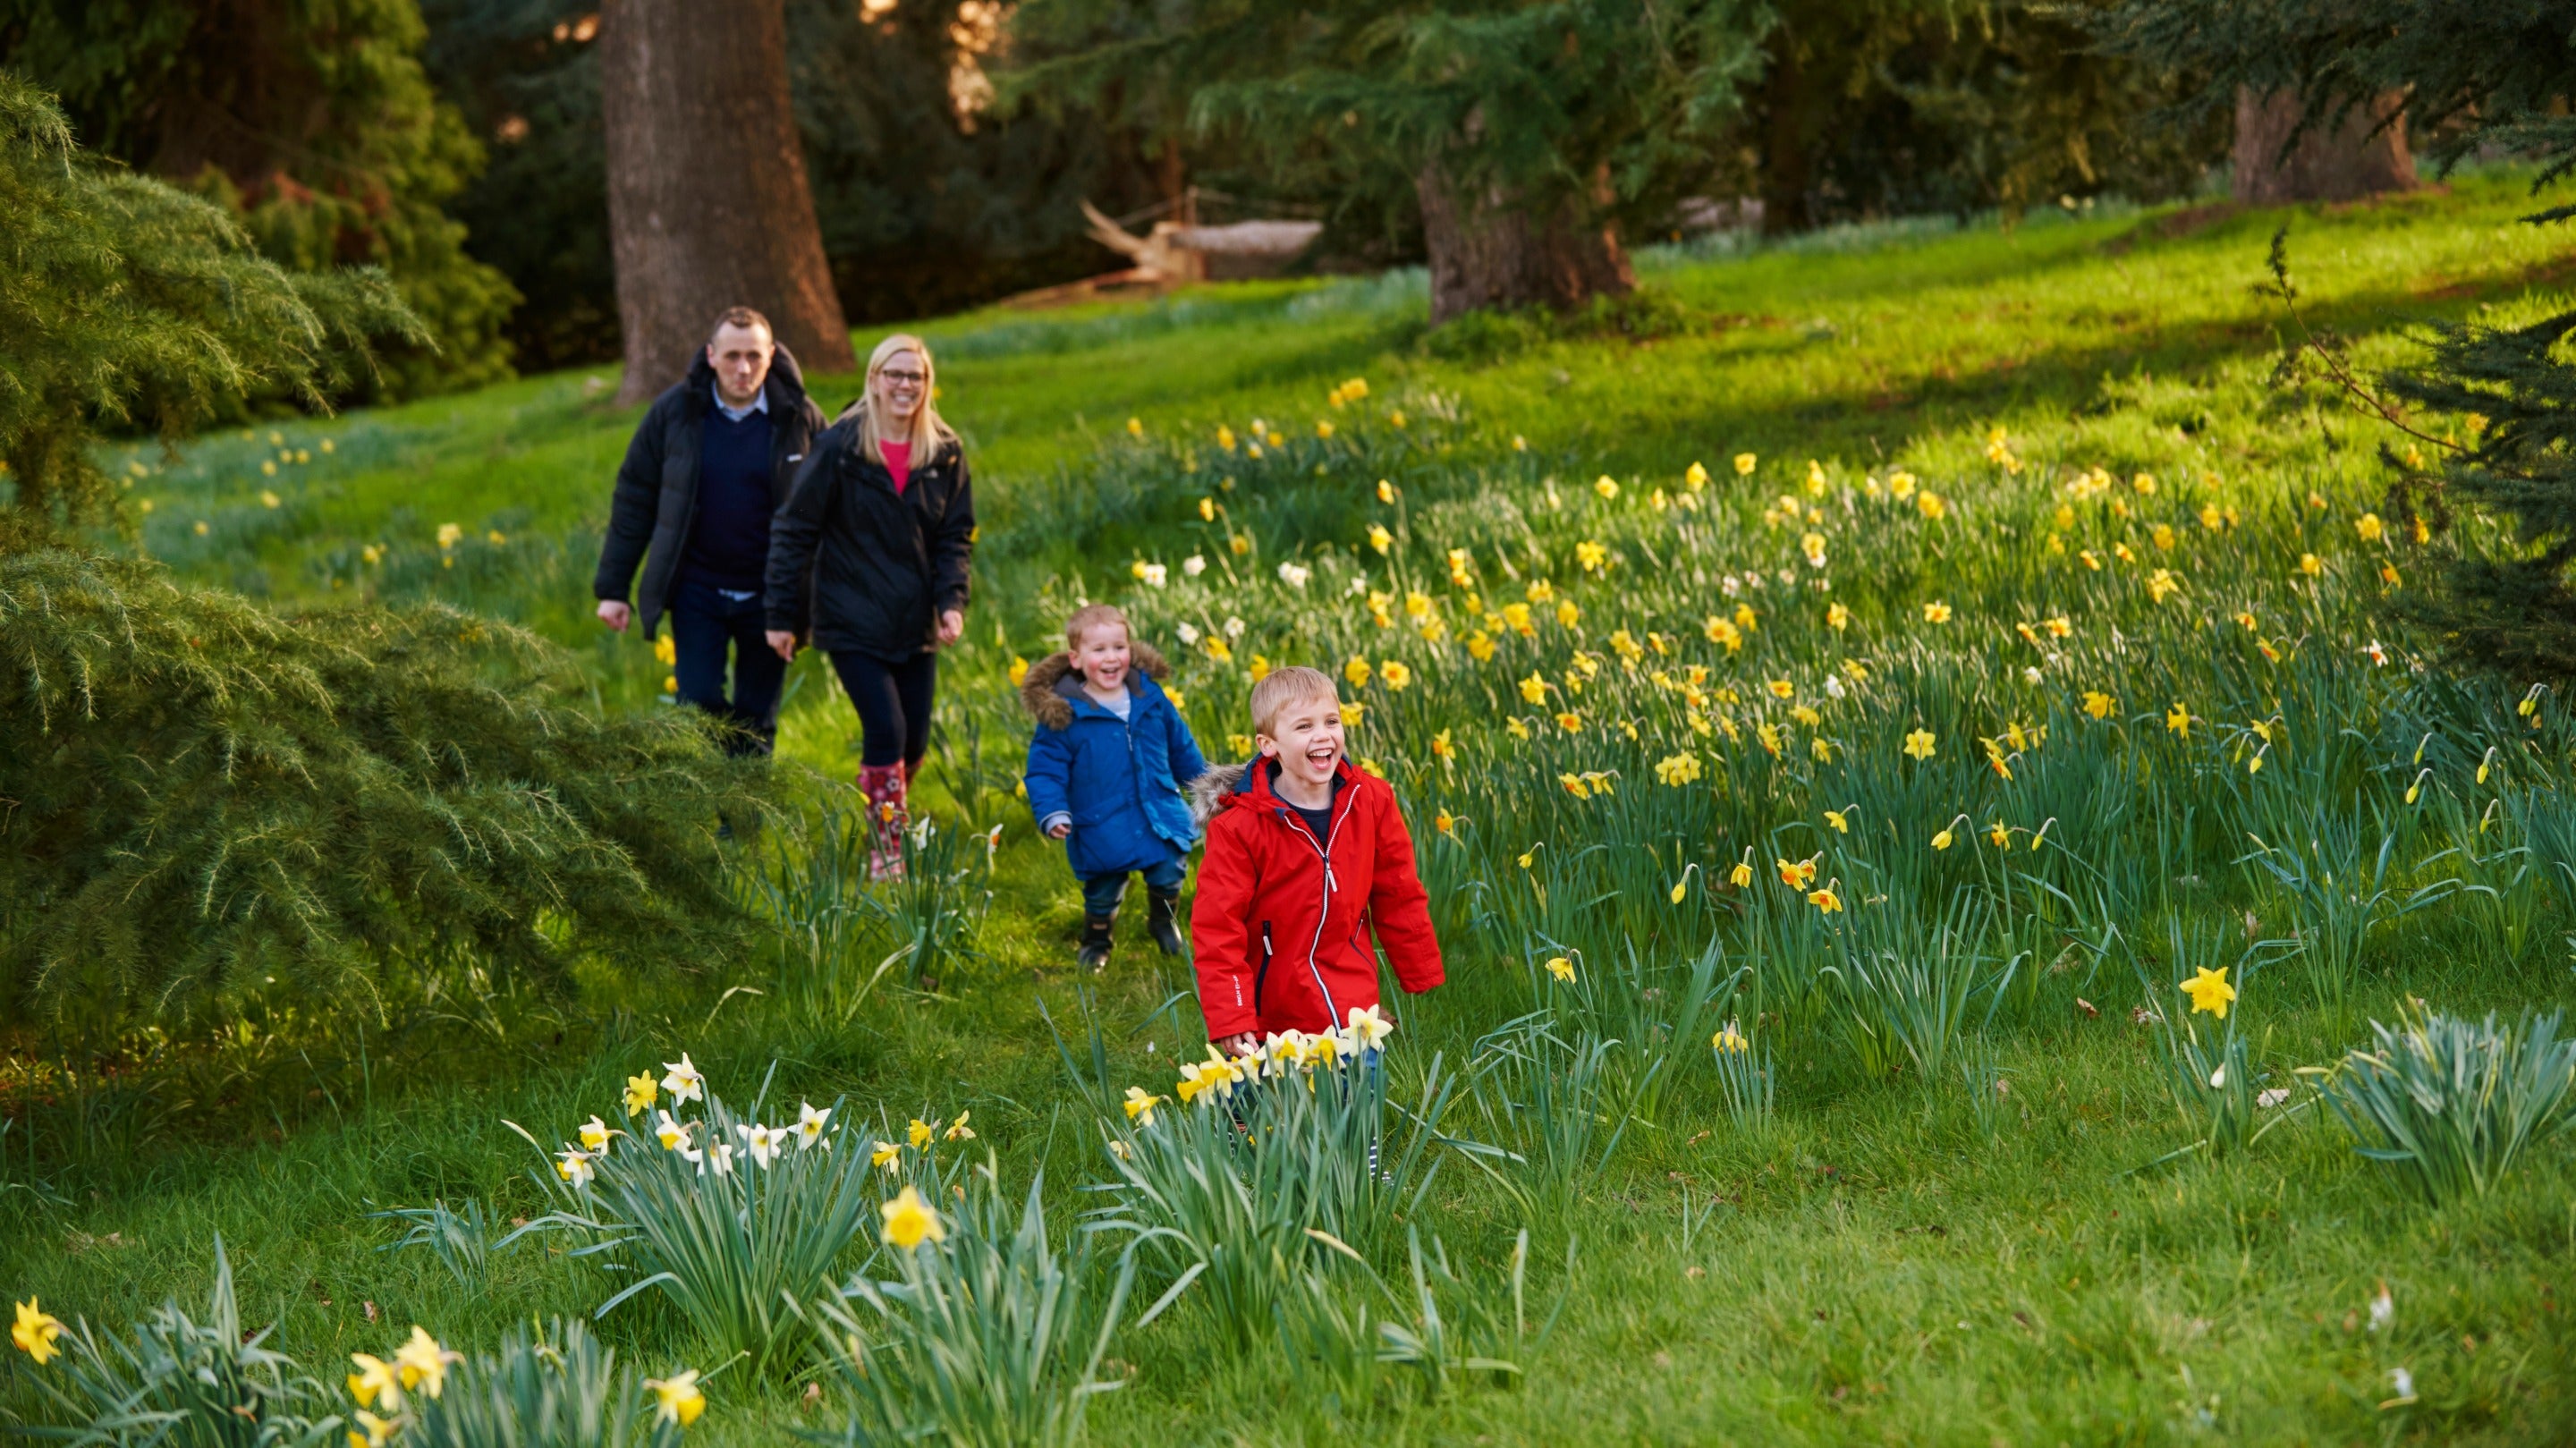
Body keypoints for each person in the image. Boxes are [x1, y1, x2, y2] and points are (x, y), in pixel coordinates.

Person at [765, 334, 973, 874]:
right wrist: (783, 616)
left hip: (914, 620)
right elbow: (795, 528)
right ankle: (888, 850)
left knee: (916, 741)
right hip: (849, 617)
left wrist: (951, 601)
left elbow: (955, 534)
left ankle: (884, 815)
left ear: (927, 385)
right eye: (895, 374)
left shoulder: (944, 451)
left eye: (916, 376)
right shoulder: (840, 446)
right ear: (875, 380)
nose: (905, 385)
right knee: (888, 730)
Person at [593, 306, 825, 757]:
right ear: (711, 355)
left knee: (758, 717)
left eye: (754, 356)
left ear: (772, 355)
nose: (744, 368)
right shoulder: (675, 413)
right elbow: (634, 497)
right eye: (733, 355)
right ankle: (713, 805)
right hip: (698, 589)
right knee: (696, 707)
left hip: (771, 593)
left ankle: (745, 821)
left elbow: (832, 505)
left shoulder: (799, 418)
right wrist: (614, 588)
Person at [1185, 665, 1443, 1058]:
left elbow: (1398, 890)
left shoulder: (1371, 800)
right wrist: (1233, 1016)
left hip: (1351, 999)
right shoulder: (1239, 828)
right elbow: (1217, 929)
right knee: (1255, 1114)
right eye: (1304, 726)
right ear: (1268, 744)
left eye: (1331, 721)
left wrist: (1418, 966)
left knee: (1355, 1112)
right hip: (1271, 1008)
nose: (1323, 735)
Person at [1021, 604, 1209, 970]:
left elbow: (1180, 746)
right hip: (1101, 820)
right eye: (1099, 650)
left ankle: (1163, 922)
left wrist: (1206, 789)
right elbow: (1045, 770)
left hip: (1157, 809)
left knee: (1171, 869)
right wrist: (1052, 810)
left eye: (1119, 647)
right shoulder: (1065, 715)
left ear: (1130, 649)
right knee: (1102, 889)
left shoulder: (1149, 698)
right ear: (1076, 658)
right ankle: (1097, 940)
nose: (1112, 658)